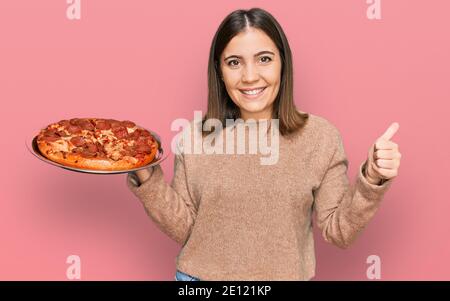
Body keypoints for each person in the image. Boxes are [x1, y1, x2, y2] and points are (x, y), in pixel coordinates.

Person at [127, 8, 402, 281]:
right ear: (219, 72)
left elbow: (340, 232)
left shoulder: (320, 137)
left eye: (264, 59)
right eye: (234, 62)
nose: (249, 76)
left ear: (283, 63)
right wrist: (143, 170)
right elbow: (186, 229)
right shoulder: (195, 137)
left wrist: (372, 178)